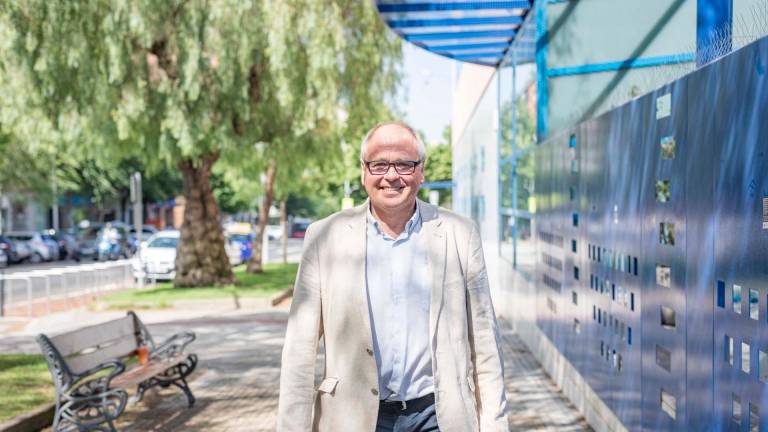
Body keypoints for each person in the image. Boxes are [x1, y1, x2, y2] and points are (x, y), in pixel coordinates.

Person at [277, 122, 509, 432]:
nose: (391, 175)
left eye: (403, 164)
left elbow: (485, 344)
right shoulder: (324, 237)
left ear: (421, 171)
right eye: (379, 164)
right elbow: (299, 352)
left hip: (438, 416)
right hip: (352, 418)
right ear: (364, 171)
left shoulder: (460, 234)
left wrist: (495, 425)